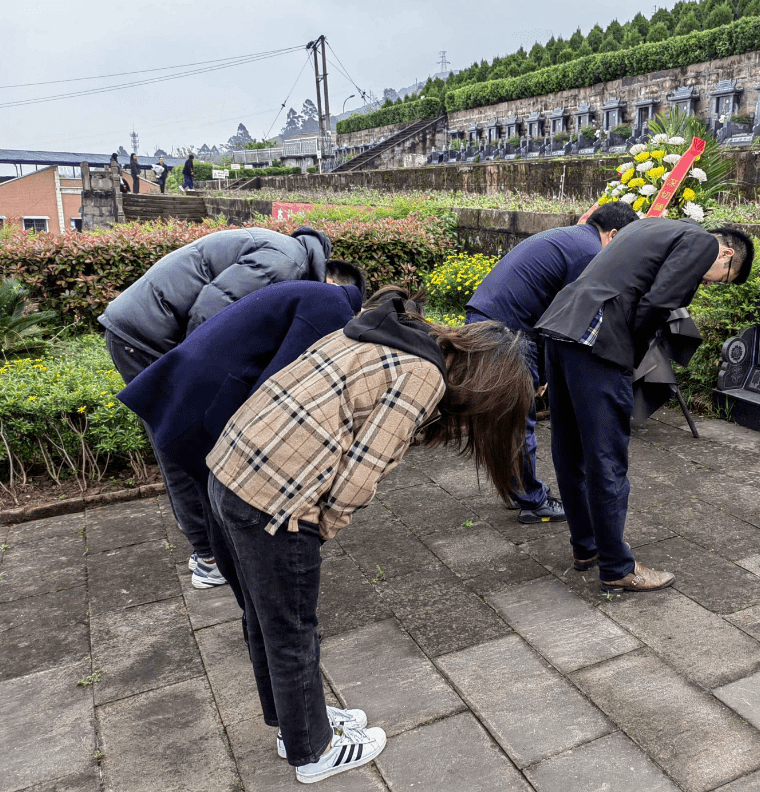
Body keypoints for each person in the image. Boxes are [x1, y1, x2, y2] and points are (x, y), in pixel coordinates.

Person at [206, 298, 533, 783]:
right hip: (275, 498)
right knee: (294, 628)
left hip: (230, 469)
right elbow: (360, 474)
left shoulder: (382, 333)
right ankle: (312, 751)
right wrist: (320, 529)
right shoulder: (424, 375)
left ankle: (295, 722)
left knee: (265, 617)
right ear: (485, 379)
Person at [99, 226, 334, 588]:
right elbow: (209, 315)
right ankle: (208, 556)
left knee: (186, 444)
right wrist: (201, 383)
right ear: (329, 278)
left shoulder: (283, 250)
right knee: (183, 448)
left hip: (145, 330)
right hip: (146, 336)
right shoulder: (286, 262)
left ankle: (205, 550)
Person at [536, 218, 754, 593]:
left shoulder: (650, 226)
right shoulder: (702, 242)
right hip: (598, 341)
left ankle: (587, 548)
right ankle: (618, 568)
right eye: (721, 278)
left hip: (562, 327)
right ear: (728, 254)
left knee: (569, 448)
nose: (708, 281)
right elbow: (659, 301)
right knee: (606, 457)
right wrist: (630, 354)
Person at [464, 201, 637, 523]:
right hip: (506, 332)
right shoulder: (589, 253)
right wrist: (547, 371)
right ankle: (532, 501)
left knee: (508, 419)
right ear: (613, 235)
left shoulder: (570, 237)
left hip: (488, 320)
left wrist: (543, 370)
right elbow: (562, 319)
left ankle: (518, 490)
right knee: (518, 420)